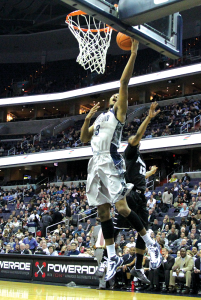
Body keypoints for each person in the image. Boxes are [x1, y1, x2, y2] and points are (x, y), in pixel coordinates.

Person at [81, 38, 141, 281]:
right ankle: (111, 256)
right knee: (103, 213)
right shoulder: (99, 119)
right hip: (94, 163)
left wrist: (134, 53)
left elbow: (124, 82)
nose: (117, 98)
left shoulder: (118, 115)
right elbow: (84, 139)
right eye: (114, 97)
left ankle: (145, 240)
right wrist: (86, 121)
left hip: (110, 160)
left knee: (121, 208)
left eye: (120, 98)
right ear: (108, 102)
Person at [95, 103, 162, 283]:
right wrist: (148, 118)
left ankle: (138, 267)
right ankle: (106, 260)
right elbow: (137, 136)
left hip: (140, 196)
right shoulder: (130, 151)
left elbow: (136, 175)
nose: (135, 139)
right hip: (130, 193)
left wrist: (149, 174)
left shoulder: (137, 158)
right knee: (116, 227)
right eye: (133, 139)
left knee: (143, 230)